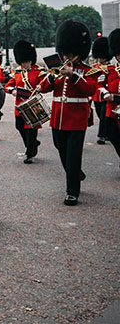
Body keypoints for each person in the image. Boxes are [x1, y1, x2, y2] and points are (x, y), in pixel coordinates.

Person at [39, 20, 98, 206]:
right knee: (60, 148)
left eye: (70, 53)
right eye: (65, 52)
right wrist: (51, 75)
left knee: (73, 155)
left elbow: (90, 90)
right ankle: (76, 173)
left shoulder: (88, 71)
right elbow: (43, 88)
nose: (66, 56)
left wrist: (72, 75)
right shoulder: (57, 67)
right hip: (58, 117)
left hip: (77, 118)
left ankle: (72, 192)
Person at [3, 41, 44, 163]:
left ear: (31, 60)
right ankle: (33, 144)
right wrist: (13, 91)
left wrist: (40, 87)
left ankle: (29, 153)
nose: (24, 64)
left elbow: (45, 85)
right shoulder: (17, 72)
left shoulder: (38, 71)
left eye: (26, 62)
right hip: (19, 105)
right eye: (22, 62)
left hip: (33, 104)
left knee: (30, 129)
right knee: (19, 126)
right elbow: (8, 86)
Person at [100, 29, 120, 160]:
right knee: (114, 137)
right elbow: (99, 85)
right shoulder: (109, 70)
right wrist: (106, 92)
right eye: (118, 54)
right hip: (112, 111)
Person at [90, 37, 111, 145]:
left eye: (101, 57)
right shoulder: (95, 67)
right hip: (96, 95)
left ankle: (101, 135)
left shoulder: (110, 68)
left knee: (103, 116)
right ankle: (106, 133)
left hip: (105, 94)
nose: (99, 59)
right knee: (99, 114)